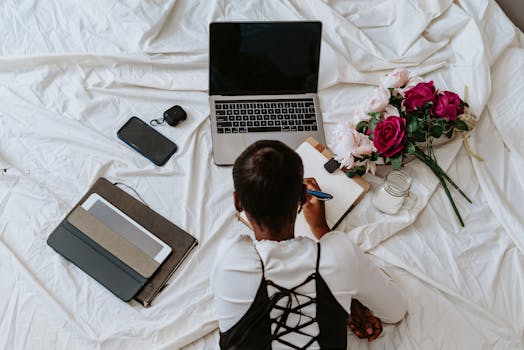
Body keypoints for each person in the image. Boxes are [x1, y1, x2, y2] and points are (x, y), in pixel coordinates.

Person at [212, 140, 407, 349]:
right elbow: (394, 311)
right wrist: (322, 230)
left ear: (237, 202)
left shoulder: (229, 258)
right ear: (304, 196)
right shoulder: (338, 255)